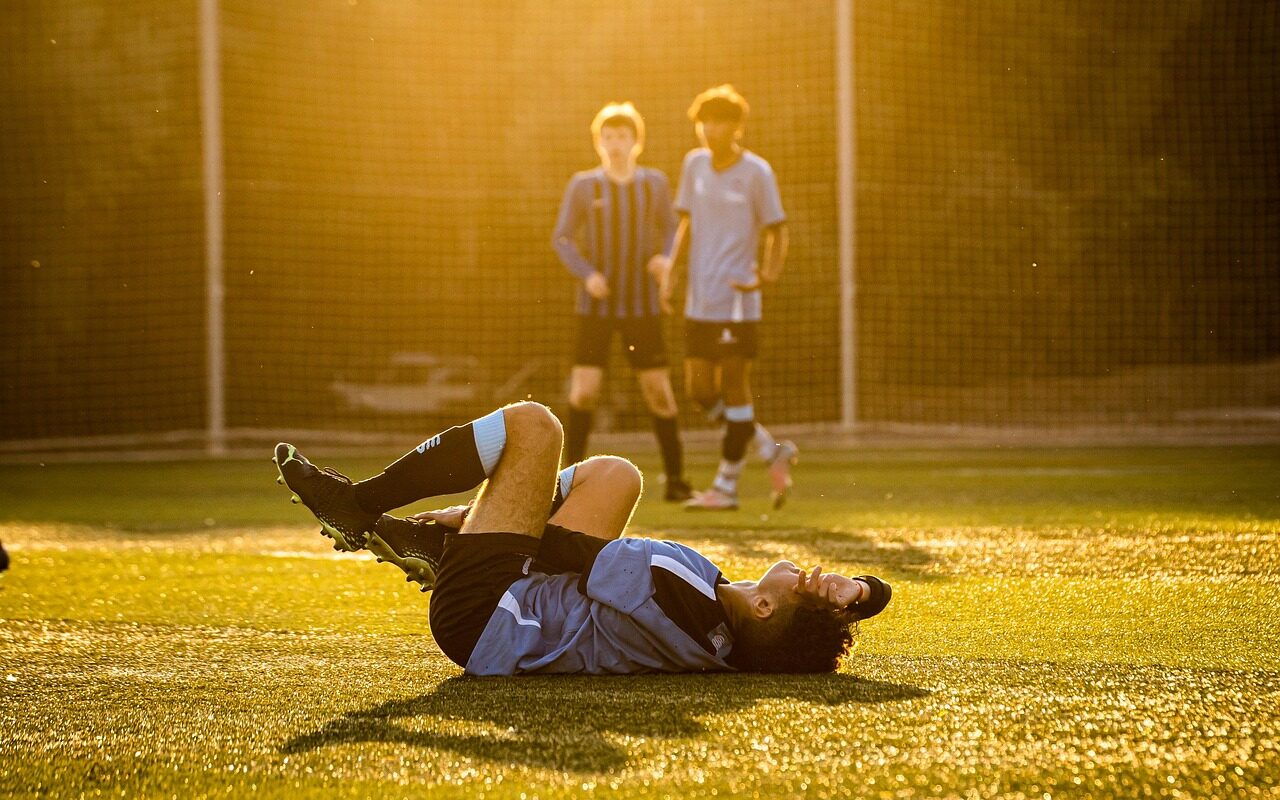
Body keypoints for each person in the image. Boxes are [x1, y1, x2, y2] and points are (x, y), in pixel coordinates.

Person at [274, 402, 891, 676]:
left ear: (764, 606)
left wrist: (475, 522)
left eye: (807, 586)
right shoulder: (720, 632)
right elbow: (872, 596)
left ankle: (360, 506)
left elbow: (565, 548)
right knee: (619, 476)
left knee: (535, 429)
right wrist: (857, 592)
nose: (812, 573)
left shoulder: (686, 593)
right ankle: (440, 544)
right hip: (516, 610)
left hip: (483, 613)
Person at [656, 84, 796, 511]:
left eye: (718, 121)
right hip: (701, 300)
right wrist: (671, 271)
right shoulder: (694, 165)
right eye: (703, 121)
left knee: (735, 387)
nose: (709, 129)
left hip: (738, 301)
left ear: (736, 126)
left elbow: (778, 229)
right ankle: (770, 449)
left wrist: (766, 276)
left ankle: (727, 487)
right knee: (699, 390)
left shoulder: (757, 172)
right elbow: (686, 225)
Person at [552, 102, 691, 502]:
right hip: (594, 309)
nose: (615, 144)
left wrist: (665, 258)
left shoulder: (654, 184)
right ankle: (565, 486)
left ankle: (677, 481)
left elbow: (671, 229)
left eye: (622, 137)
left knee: (659, 393)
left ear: (636, 142)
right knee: (583, 394)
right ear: (598, 143)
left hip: (642, 308)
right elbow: (561, 238)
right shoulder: (583, 185)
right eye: (608, 137)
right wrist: (587, 274)